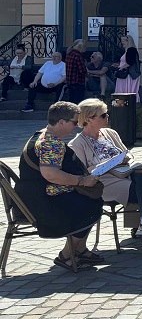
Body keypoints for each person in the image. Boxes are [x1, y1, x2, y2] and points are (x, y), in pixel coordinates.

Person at [69, 98, 142, 247]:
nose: (107, 117)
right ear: (89, 119)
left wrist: (124, 159)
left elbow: (127, 153)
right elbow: (85, 173)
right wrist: (111, 164)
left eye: (107, 114)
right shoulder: (77, 144)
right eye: (103, 115)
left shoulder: (110, 133)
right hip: (105, 183)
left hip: (126, 174)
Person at [16, 101, 103, 270]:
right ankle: (67, 255)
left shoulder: (41, 134)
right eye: (74, 122)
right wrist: (82, 181)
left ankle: (80, 250)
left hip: (30, 196)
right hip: (42, 202)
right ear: (61, 122)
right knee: (91, 204)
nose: (76, 126)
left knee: (89, 199)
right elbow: (51, 174)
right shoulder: (51, 144)